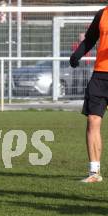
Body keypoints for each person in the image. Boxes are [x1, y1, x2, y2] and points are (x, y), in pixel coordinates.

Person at [70, 7, 108, 183]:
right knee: (92, 120)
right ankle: (94, 172)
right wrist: (77, 54)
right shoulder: (102, 14)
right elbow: (91, 38)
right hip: (100, 76)